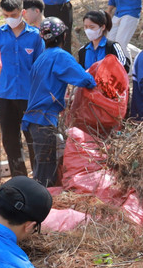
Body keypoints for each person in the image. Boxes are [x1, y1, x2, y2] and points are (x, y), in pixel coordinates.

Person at [21, 18, 96, 188]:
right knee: (45, 175)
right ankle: (40, 210)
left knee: (42, 168)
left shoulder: (40, 59)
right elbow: (87, 80)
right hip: (44, 120)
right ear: (64, 36)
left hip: (34, 122)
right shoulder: (60, 56)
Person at [0, 0, 45, 179]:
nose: (10, 17)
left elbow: (40, 69)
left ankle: (38, 179)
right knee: (10, 140)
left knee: (32, 138)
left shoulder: (35, 37)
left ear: (23, 13)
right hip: (5, 95)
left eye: (14, 14)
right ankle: (20, 178)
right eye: (6, 14)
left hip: (29, 97)